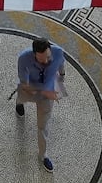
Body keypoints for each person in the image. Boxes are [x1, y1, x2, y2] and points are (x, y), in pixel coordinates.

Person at [15, 37, 66, 172]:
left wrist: (61, 77)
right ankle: (19, 103)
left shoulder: (58, 52)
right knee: (21, 96)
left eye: (48, 57)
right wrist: (44, 92)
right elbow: (25, 85)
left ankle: (43, 155)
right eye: (41, 59)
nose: (46, 61)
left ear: (50, 49)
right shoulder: (23, 59)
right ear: (34, 54)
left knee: (42, 126)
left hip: (48, 91)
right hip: (31, 87)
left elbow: (61, 66)